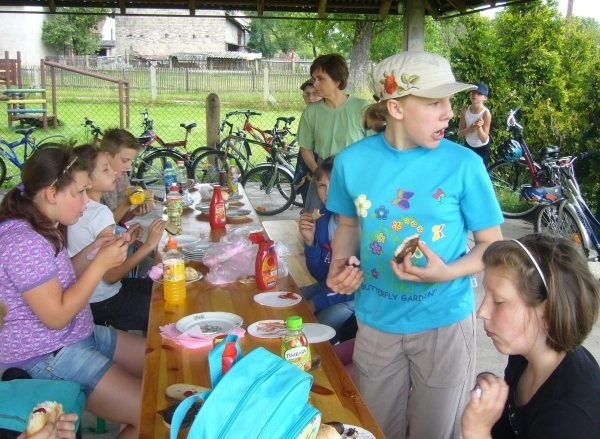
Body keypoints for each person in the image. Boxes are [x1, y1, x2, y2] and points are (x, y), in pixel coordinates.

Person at [325, 51, 504, 438]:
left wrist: (448, 271)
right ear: (395, 107)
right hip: (375, 322)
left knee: (436, 432)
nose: (447, 112)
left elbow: (492, 246)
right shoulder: (351, 162)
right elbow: (349, 222)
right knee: (376, 428)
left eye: (449, 101)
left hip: (444, 324)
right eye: (434, 102)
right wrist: (339, 264)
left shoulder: (464, 165)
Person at [0, 147, 145, 439]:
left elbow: (63, 276)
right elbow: (56, 316)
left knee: (159, 361)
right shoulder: (23, 242)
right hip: (46, 355)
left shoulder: (40, 224)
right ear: (52, 193)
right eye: (79, 192)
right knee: (152, 414)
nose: (85, 201)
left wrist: (94, 251)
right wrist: (100, 266)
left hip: (77, 335)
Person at [461, 233, 600, 438]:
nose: (481, 311)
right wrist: (493, 398)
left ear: (546, 313)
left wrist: (477, 432)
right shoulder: (525, 355)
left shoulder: (568, 417)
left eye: (498, 301)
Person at [67, 144, 166, 331]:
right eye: (106, 169)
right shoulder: (99, 212)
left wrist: (125, 239)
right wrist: (149, 245)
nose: (114, 173)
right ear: (86, 180)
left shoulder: (79, 208)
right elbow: (111, 276)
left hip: (91, 299)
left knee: (158, 286)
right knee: (166, 306)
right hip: (104, 302)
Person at [297, 53, 369, 212]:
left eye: (321, 78)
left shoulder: (362, 108)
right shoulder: (311, 112)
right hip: (323, 176)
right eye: (313, 78)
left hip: (355, 177)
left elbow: (375, 147)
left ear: (337, 80)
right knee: (317, 226)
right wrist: (319, 174)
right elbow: (305, 148)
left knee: (353, 227)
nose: (315, 84)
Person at [298, 158, 354, 340]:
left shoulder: (362, 226)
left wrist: (316, 302)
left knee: (320, 324)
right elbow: (321, 275)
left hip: (357, 297)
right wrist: (310, 243)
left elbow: (355, 285)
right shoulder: (323, 220)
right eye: (322, 186)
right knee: (292, 299)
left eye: (335, 185)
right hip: (329, 286)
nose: (328, 193)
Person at [99, 128, 154, 224]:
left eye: (131, 161)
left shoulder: (121, 176)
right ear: (106, 156)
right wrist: (127, 203)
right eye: (125, 160)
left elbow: (118, 218)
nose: (129, 166)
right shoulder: (94, 183)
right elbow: (104, 226)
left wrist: (133, 212)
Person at [293, 78, 322, 206]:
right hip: (309, 169)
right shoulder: (308, 114)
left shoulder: (326, 116)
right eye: (307, 94)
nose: (310, 98)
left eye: (314, 94)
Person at [458, 81, 492, 167]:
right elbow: (460, 133)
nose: (475, 95)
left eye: (479, 94)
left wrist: (479, 128)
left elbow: (484, 139)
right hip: (468, 145)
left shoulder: (485, 113)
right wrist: (469, 129)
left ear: (485, 98)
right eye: (473, 92)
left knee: (480, 173)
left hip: (482, 149)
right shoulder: (465, 110)